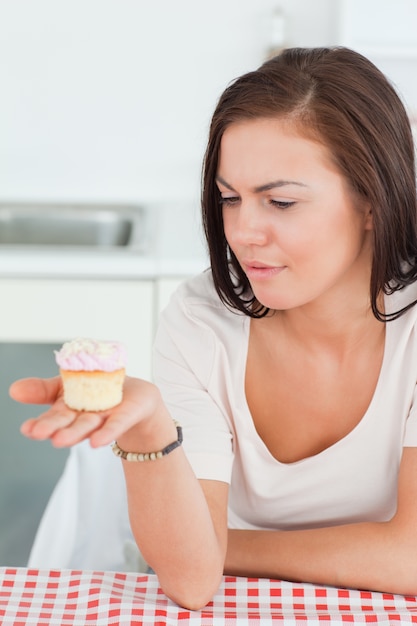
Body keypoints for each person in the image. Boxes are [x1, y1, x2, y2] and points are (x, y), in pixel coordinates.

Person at [9, 46, 417, 610]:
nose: (244, 231)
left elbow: (412, 558)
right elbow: (193, 583)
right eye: (229, 198)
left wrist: (224, 547)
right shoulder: (201, 322)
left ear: (372, 199)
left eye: (279, 201)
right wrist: (150, 428)